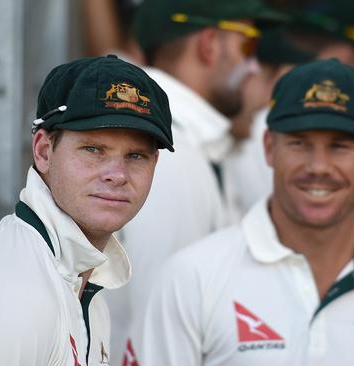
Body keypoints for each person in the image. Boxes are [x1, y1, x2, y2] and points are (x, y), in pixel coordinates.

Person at [128, 59, 354, 365]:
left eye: (339, 146)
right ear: (270, 148)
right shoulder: (191, 279)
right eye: (299, 143)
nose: (318, 166)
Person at [0, 55, 173, 366]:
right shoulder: (7, 296)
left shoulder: (85, 290)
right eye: (93, 149)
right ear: (43, 151)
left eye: (136, 156)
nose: (117, 174)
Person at [103, 1, 283, 363]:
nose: (253, 67)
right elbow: (158, 330)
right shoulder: (168, 155)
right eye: (249, 46)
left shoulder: (189, 145)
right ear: (209, 44)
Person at [223, 0, 354, 235]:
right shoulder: (258, 124)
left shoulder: (254, 123)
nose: (319, 166)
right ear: (347, 57)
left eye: (338, 146)